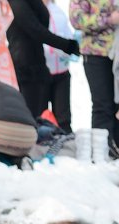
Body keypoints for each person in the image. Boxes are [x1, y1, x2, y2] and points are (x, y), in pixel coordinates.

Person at [71, 0, 119, 153]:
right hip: (96, 54)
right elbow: (76, 18)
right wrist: (109, 20)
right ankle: (103, 154)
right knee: (103, 105)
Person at [6, 0, 79, 118]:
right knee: (32, 117)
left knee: (42, 117)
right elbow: (34, 29)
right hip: (25, 65)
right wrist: (68, 45)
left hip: (37, 63)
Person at [44, 0, 73, 129]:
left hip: (62, 71)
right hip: (41, 72)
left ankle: (65, 145)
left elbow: (69, 35)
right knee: (41, 115)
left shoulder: (58, 10)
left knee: (63, 118)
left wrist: (67, 49)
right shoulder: (30, 9)